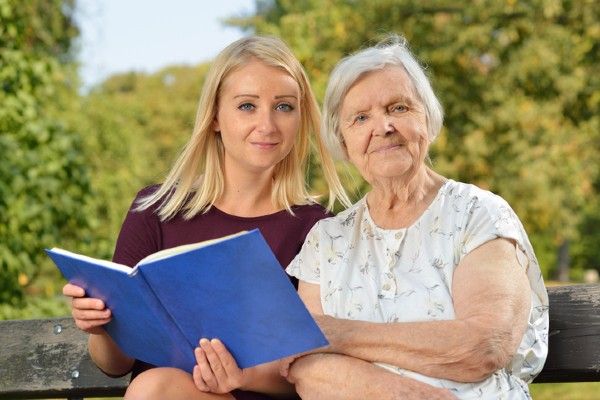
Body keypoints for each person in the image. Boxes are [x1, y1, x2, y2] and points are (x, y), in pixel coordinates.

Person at [62, 34, 350, 400]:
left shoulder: (319, 228)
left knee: (154, 389)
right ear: (215, 116)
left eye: (284, 107)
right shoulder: (155, 210)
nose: (267, 125)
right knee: (152, 387)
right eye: (247, 106)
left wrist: (240, 375)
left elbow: (320, 373)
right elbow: (114, 365)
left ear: (300, 117)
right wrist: (101, 327)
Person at [281, 34, 549, 399]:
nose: (383, 127)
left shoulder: (479, 214)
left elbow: (484, 346)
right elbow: (310, 370)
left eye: (398, 108)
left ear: (428, 118)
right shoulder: (326, 241)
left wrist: (338, 334)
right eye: (361, 118)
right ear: (343, 141)